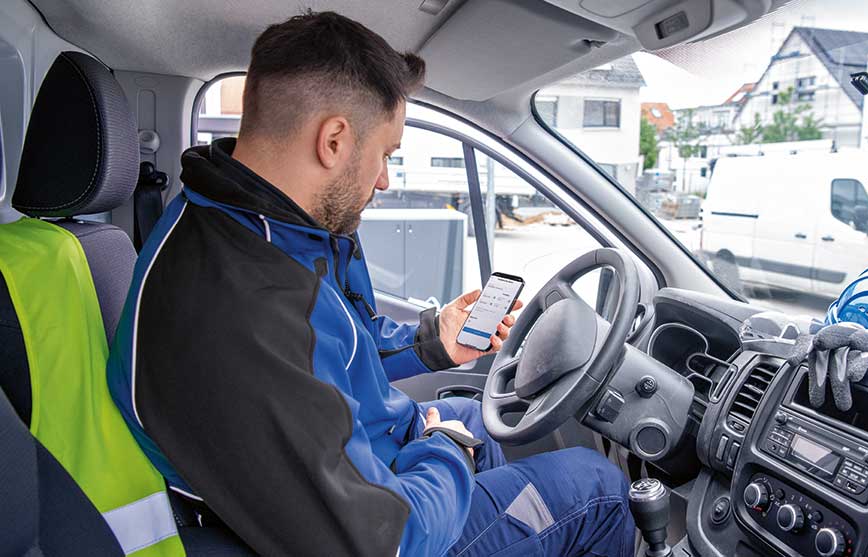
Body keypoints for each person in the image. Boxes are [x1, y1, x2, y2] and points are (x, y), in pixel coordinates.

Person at [106, 10, 634, 557]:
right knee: (600, 487)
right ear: (334, 140)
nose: (383, 178)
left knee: (476, 418)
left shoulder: (262, 225)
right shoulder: (245, 308)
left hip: (367, 456)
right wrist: (445, 448)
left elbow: (336, 343)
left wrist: (432, 342)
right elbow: (384, 542)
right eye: (385, 153)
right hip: (381, 522)